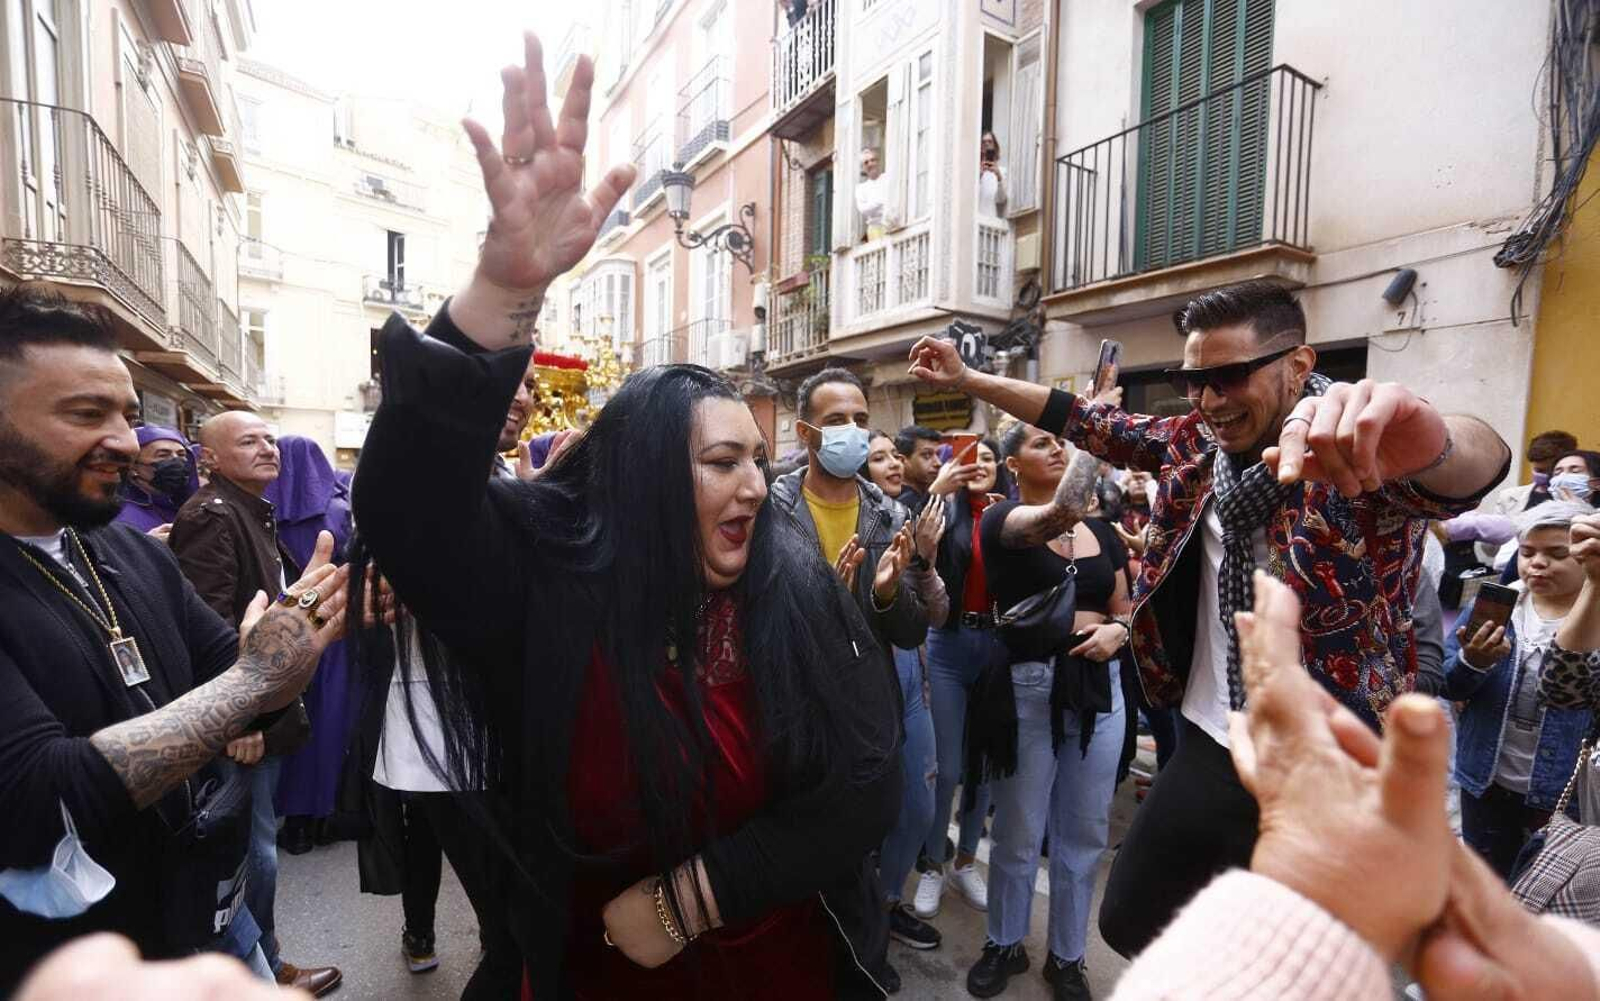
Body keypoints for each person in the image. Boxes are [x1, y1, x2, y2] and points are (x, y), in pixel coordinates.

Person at [348, 32, 902, 999]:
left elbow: (863, 787)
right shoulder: (553, 584)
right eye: (721, 461)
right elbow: (411, 514)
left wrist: (695, 896)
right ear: (643, 478)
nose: (751, 488)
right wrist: (505, 291)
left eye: (756, 461)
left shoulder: (790, 582)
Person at [907, 279, 1513, 957]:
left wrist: (1436, 440)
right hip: (1210, 732)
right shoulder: (1191, 443)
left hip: (1330, 758)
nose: (1210, 400)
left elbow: (1471, 458)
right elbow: (1082, 418)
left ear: (1299, 365)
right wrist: (968, 377)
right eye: (1194, 379)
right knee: (1131, 918)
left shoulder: (1357, 452)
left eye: (1228, 377)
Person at [0, 282, 346, 995]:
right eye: (86, 414)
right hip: (72, 963)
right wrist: (256, 679)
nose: (126, 442)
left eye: (127, 414)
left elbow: (247, 687)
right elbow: (43, 792)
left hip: (208, 915)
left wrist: (288, 650)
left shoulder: (135, 555)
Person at [1109, 572, 1600, 1001]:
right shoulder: (1207, 509)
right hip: (1229, 748)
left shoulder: (1401, 564)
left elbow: (1436, 674)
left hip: (1337, 777)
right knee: (1127, 916)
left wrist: (1363, 696)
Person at [351, 361, 538, 994]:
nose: (524, 396)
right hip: (439, 730)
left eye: (530, 384)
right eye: (508, 378)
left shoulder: (506, 478)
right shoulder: (416, 485)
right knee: (505, 918)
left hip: (509, 727)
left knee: (514, 910)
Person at [770, 369, 936, 987]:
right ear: (807, 430)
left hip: (867, 714)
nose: (853, 433)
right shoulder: (770, 506)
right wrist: (826, 605)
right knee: (797, 847)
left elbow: (914, 631)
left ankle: (861, 962)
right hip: (793, 711)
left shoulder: (890, 513)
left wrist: (889, 595)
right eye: (837, 421)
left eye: (862, 421)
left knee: (863, 843)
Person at [168, 412, 339, 996]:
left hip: (258, 709)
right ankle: (263, 969)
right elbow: (209, 626)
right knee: (250, 854)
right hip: (242, 722)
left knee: (255, 848)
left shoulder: (247, 510)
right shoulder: (213, 517)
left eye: (270, 438)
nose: (268, 449)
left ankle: (260, 961)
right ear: (209, 458)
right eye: (249, 442)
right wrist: (240, 717)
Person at [963, 428, 1129, 1000]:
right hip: (1028, 689)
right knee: (1018, 830)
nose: (1058, 448)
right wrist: (1096, 423)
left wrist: (1119, 630)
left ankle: (1068, 957)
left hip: (1098, 690)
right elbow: (1059, 511)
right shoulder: (1003, 520)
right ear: (1013, 463)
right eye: (1042, 442)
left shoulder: (1105, 533)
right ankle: (1004, 943)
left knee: (1083, 833)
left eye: (1065, 441)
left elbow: (1124, 607)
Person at [1442, 501, 1594, 879]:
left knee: (1545, 888)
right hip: (1485, 780)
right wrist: (1473, 661)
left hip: (1563, 794)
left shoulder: (1592, 619)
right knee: (1485, 881)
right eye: (1527, 552)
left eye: (1557, 554)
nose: (1537, 564)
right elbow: (1448, 683)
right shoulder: (1494, 605)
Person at [912, 439, 1006, 923]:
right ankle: (934, 862)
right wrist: (939, 491)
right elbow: (913, 549)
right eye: (972, 458)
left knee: (983, 769)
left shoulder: (1012, 514)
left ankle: (967, 861)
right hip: (948, 647)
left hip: (998, 650)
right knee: (946, 769)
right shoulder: (943, 510)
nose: (980, 465)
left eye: (989, 458)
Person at [265, 437, 355, 855]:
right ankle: (326, 815)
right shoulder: (338, 510)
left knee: (293, 718)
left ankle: (295, 821)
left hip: (283, 622)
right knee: (331, 721)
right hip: (332, 623)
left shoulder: (268, 510)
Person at [113, 425, 198, 540]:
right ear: (133, 467)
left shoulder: (189, 507)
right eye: (163, 455)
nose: (176, 461)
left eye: (181, 455)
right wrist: (147, 543)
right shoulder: (116, 514)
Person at [856, 148, 887, 243]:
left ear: (878, 162)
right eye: (866, 162)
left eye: (872, 160)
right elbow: (863, 210)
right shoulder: (861, 188)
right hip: (874, 229)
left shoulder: (887, 179)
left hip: (889, 224)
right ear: (863, 168)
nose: (870, 164)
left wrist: (874, 205)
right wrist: (881, 202)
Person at [978, 131, 1008, 219]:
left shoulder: (1002, 172)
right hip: (976, 221)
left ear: (995, 146)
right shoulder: (974, 171)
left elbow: (1001, 200)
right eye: (983, 142)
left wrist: (998, 177)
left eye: (990, 141)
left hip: (991, 223)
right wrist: (979, 176)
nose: (986, 144)